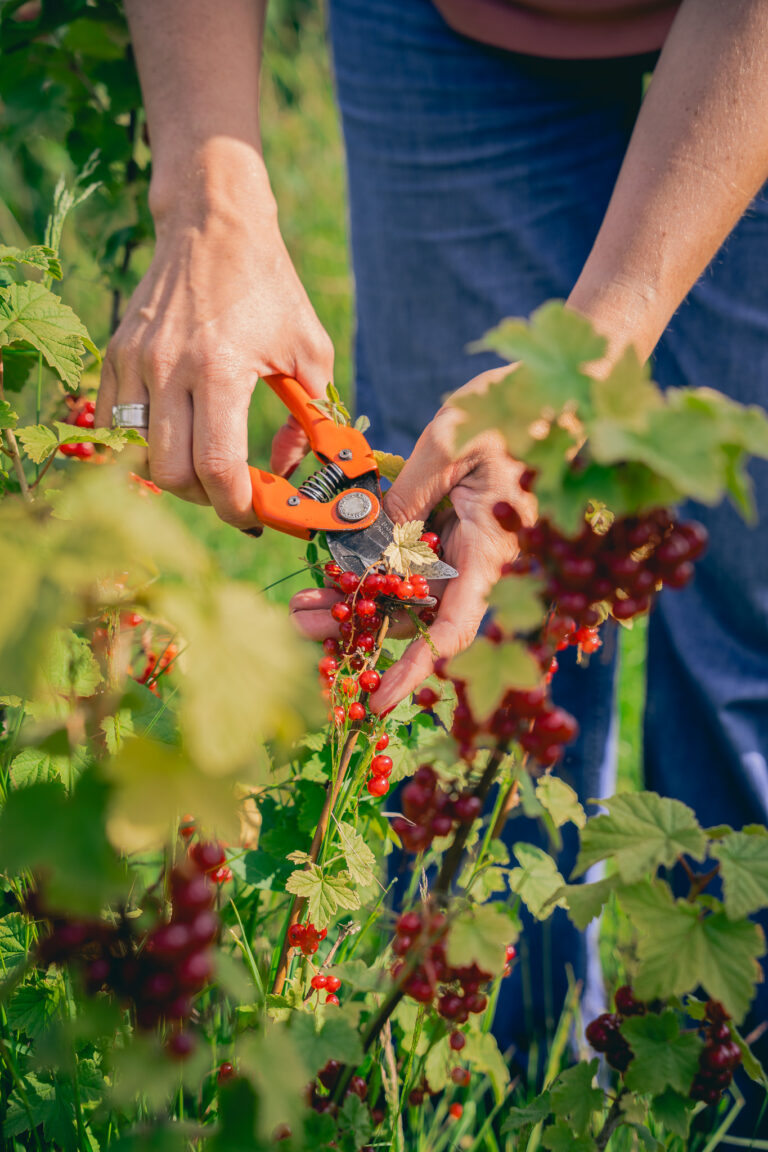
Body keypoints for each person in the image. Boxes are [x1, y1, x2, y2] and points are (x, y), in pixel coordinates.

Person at [95, 0, 768, 1123]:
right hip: (450, 27)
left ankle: (718, 1103)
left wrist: (597, 351)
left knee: (748, 631)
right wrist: (207, 195)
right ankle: (486, 1095)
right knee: (466, 652)